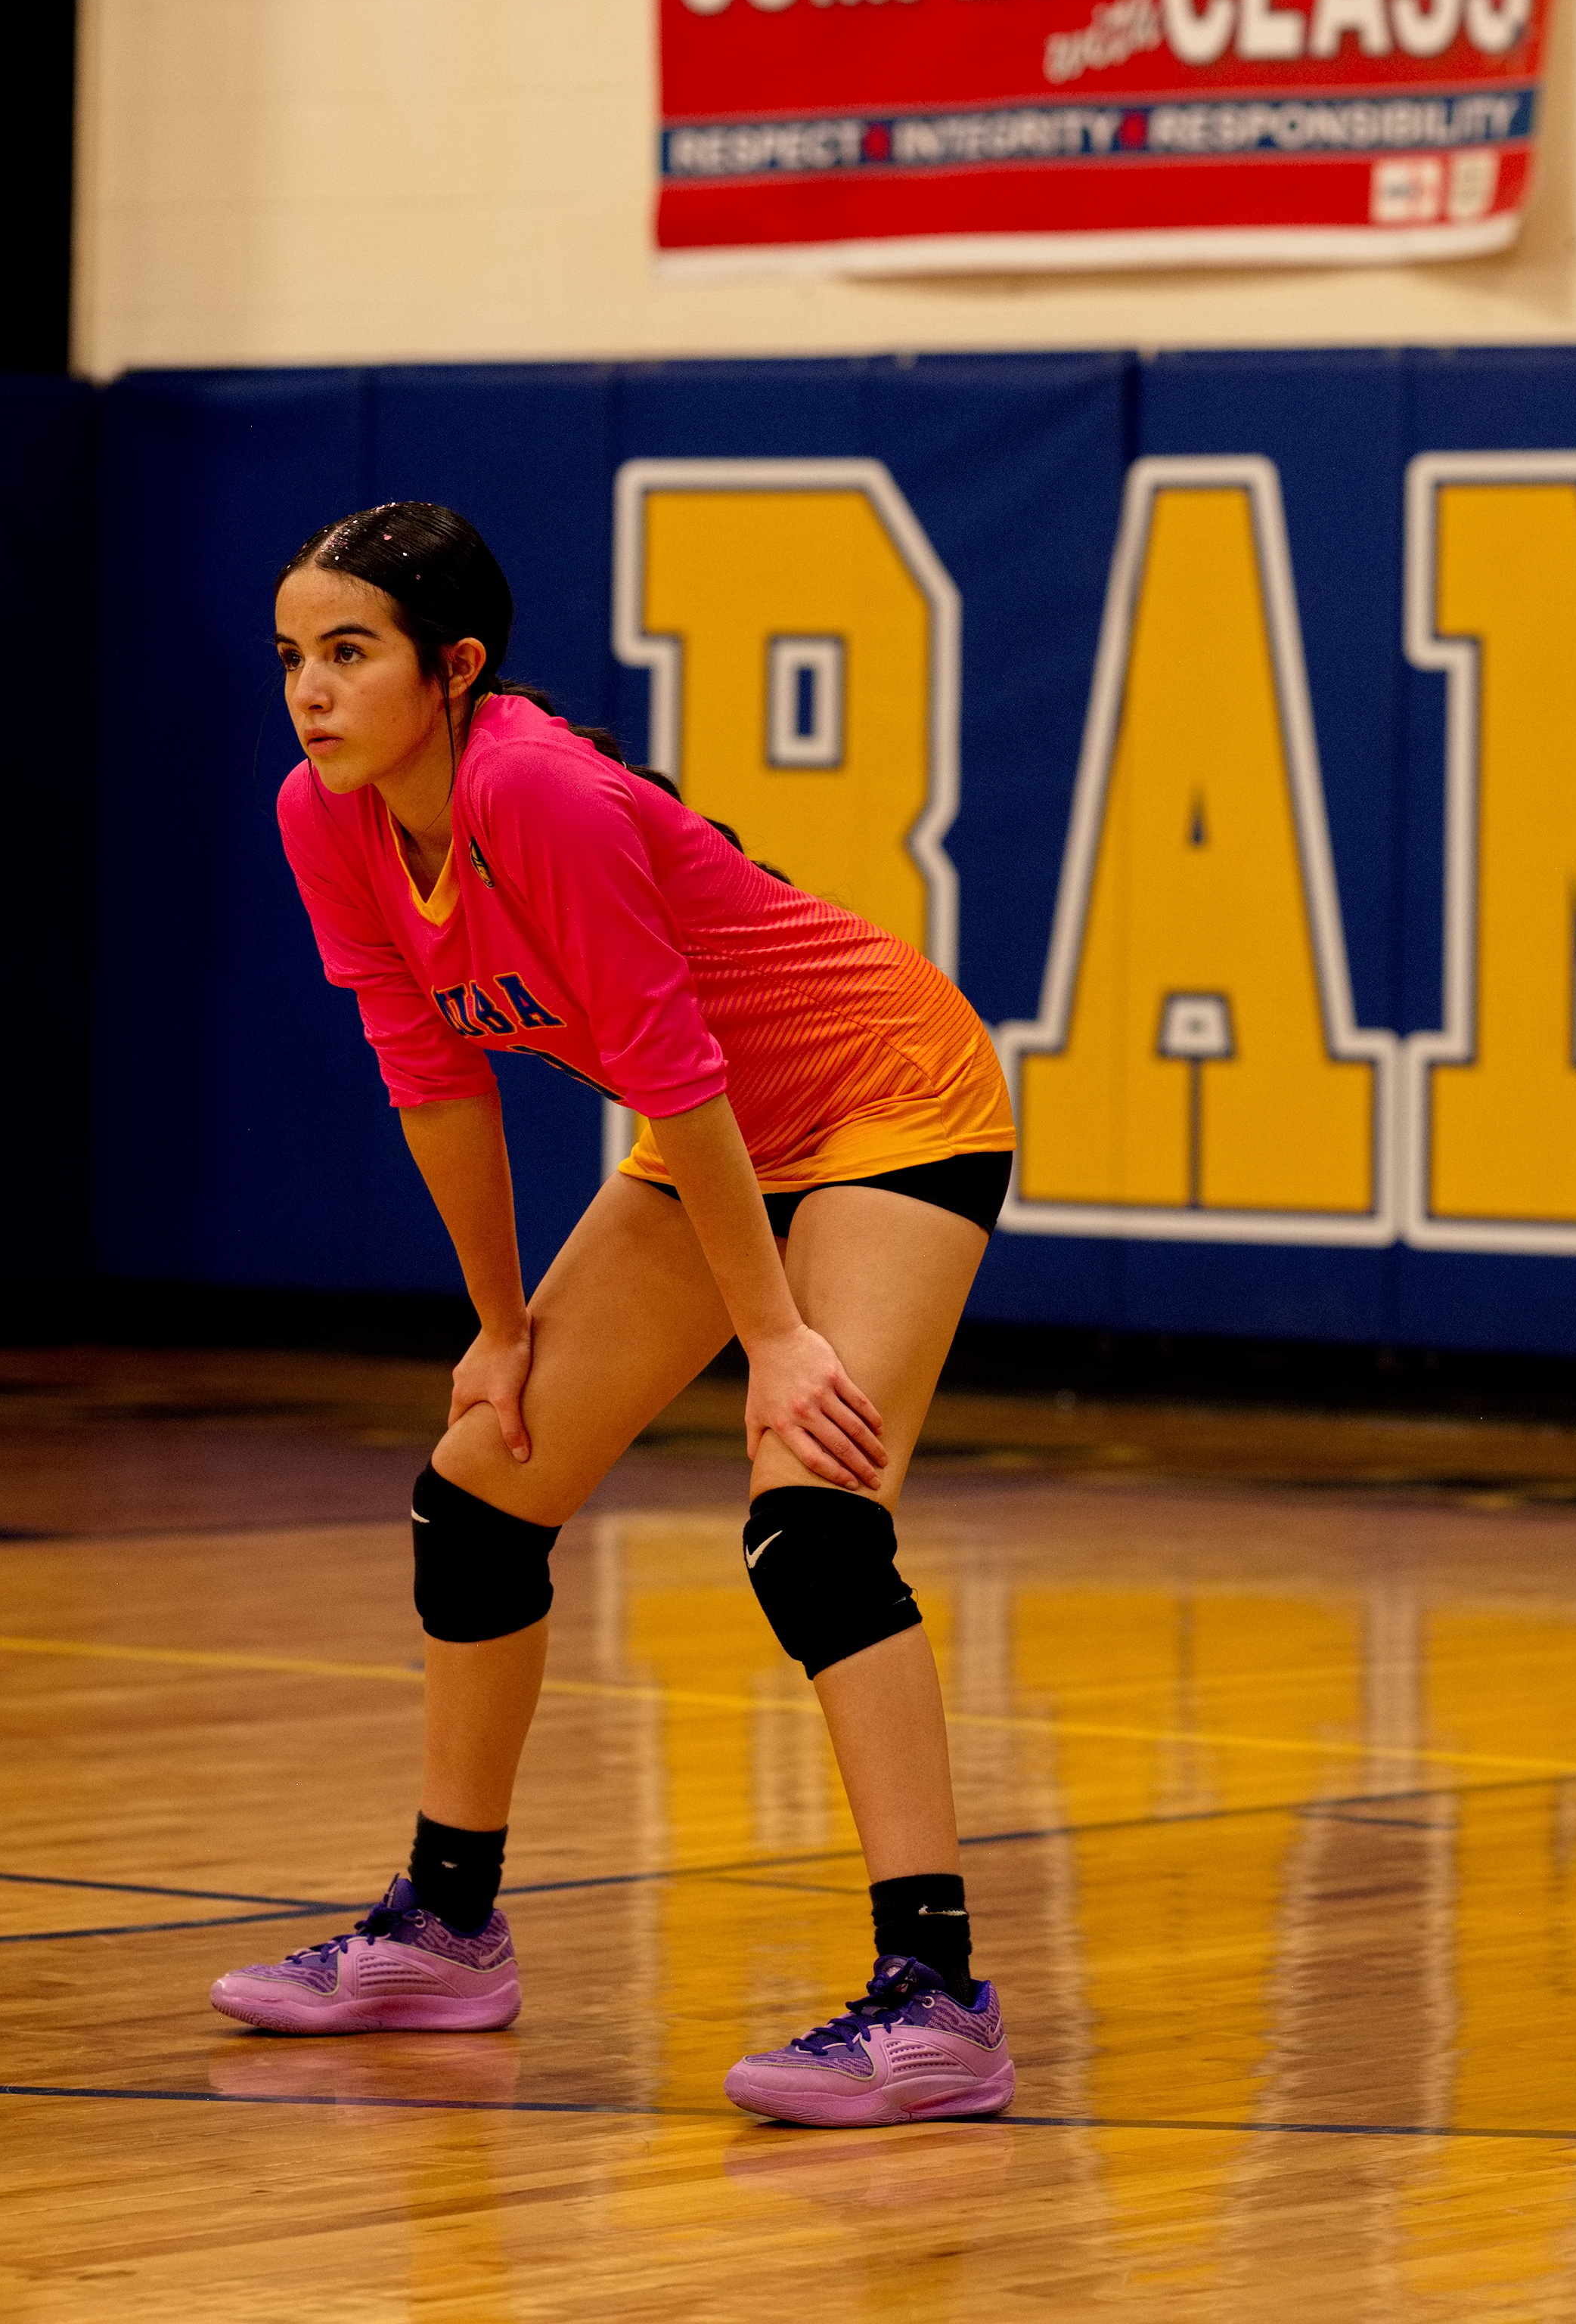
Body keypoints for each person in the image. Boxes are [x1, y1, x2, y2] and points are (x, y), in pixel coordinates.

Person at [208, 501, 1016, 2126]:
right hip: (708, 1136)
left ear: (455, 668)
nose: (310, 689)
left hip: (884, 1103)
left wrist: (777, 1335)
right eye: (294, 655)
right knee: (480, 1486)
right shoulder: (329, 813)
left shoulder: (536, 791)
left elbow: (679, 1076)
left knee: (812, 1523)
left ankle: (938, 2000)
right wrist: (499, 1322)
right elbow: (429, 1075)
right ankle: (446, 1931)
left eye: (349, 653)